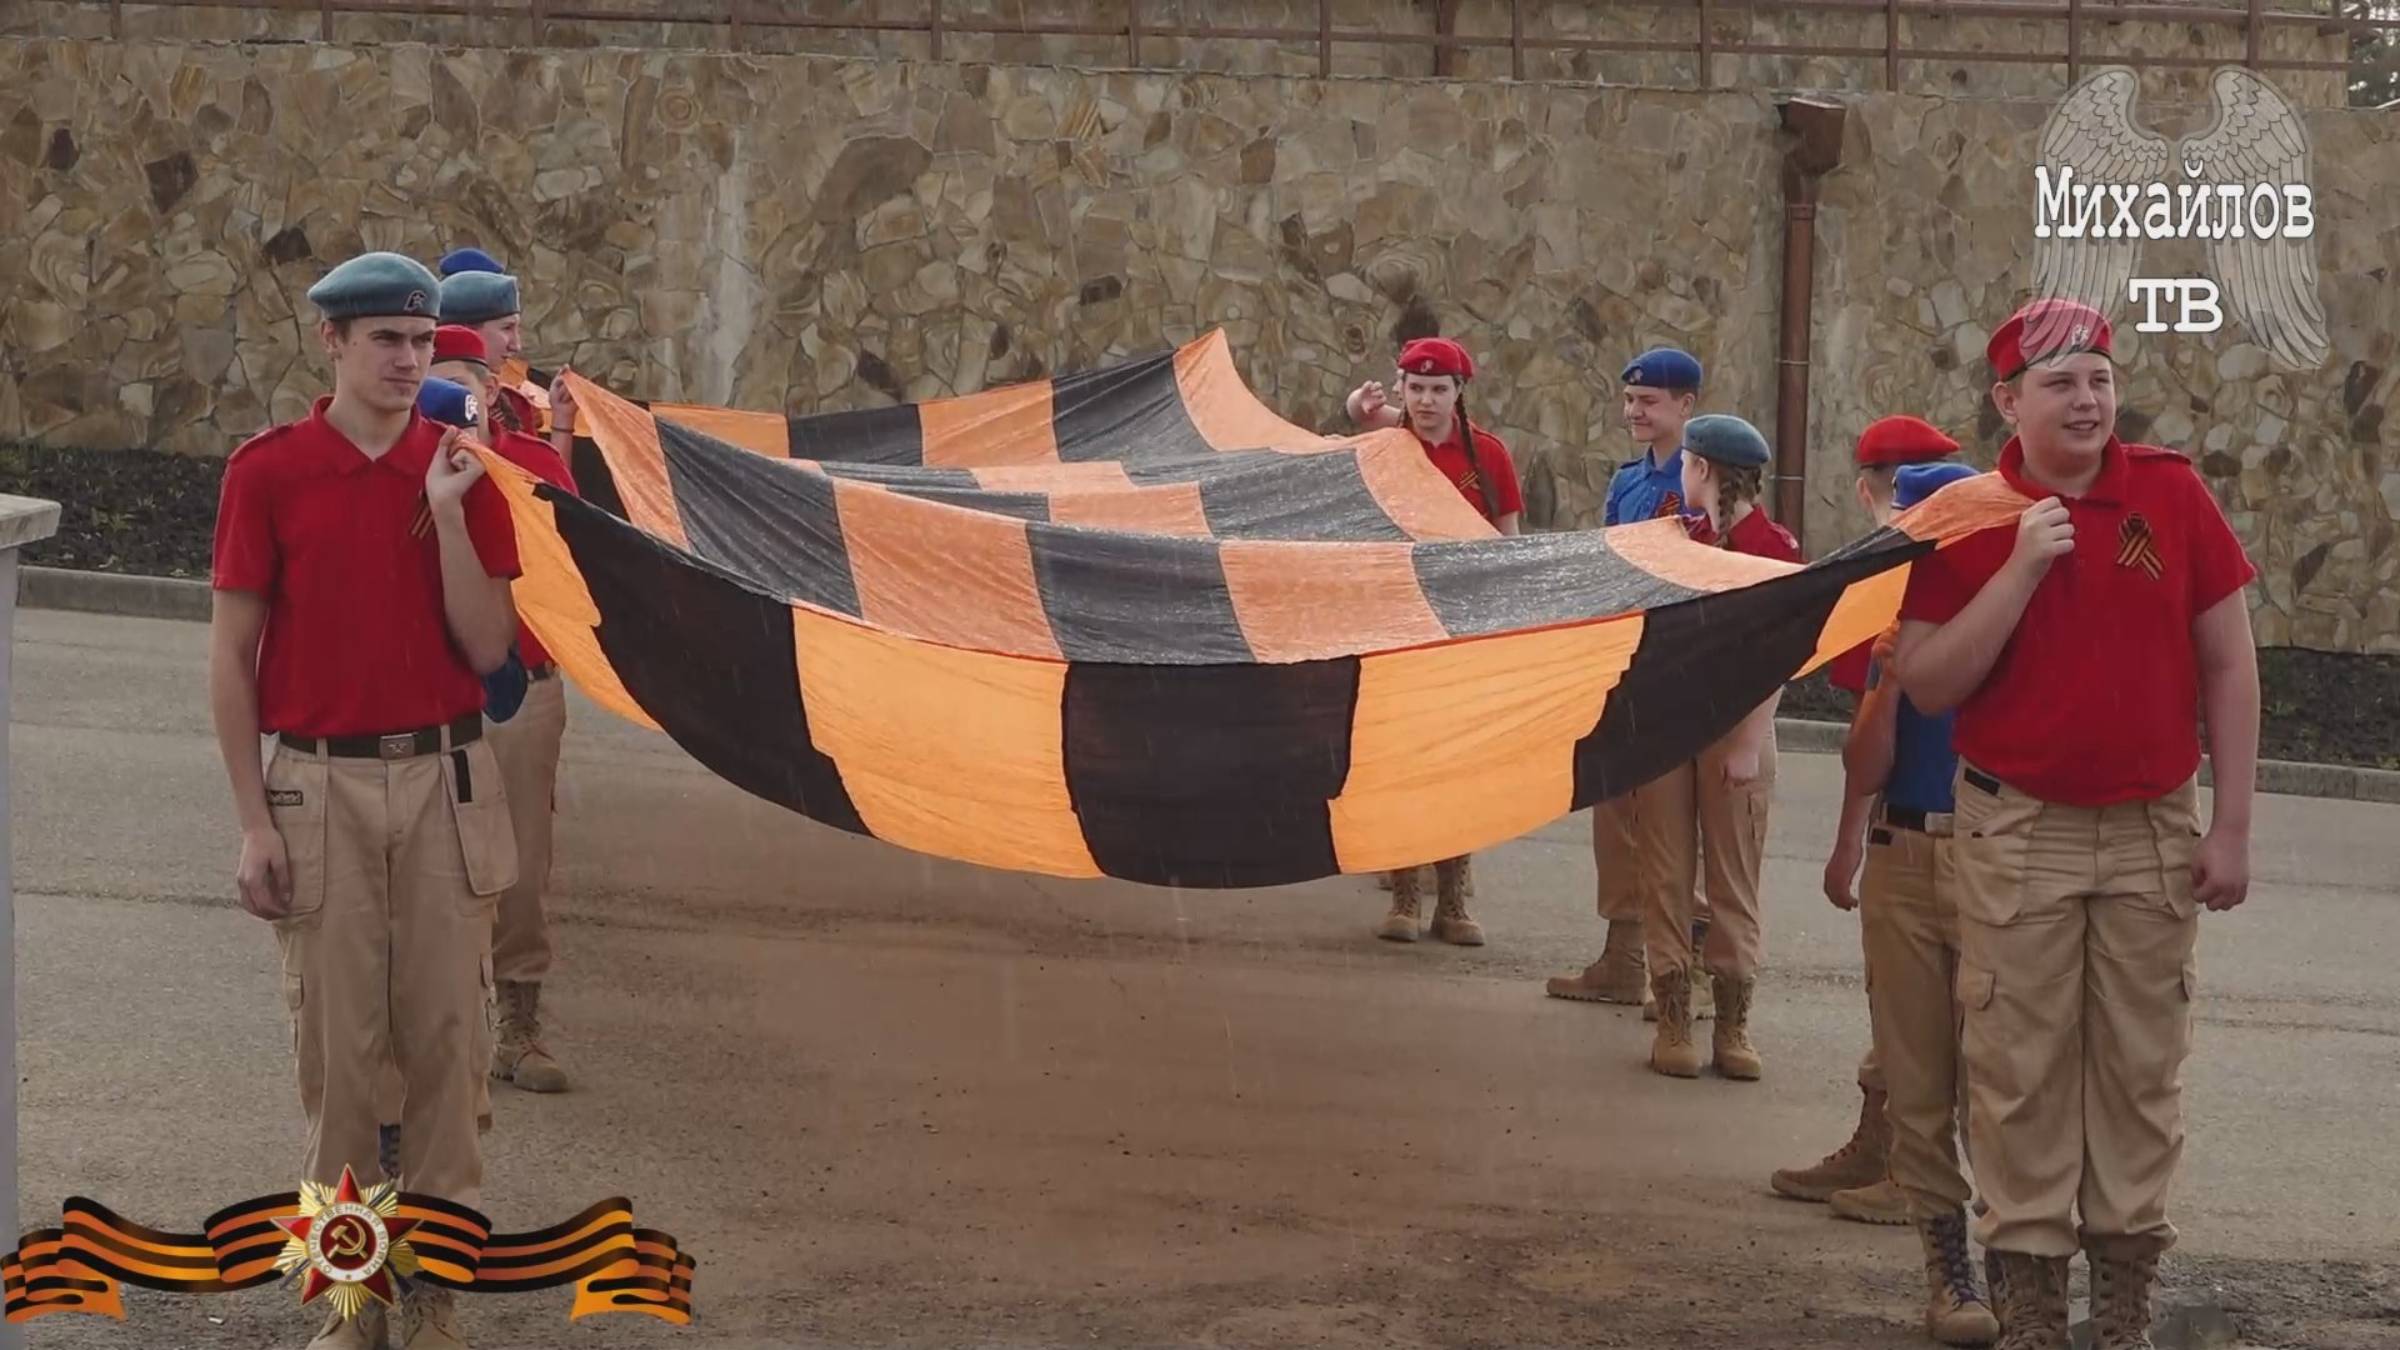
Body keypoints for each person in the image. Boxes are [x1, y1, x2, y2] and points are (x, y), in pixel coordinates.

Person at [1893, 298, 2259, 1350]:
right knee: (2019, 1072)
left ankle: (2124, 1304)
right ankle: (2034, 1308)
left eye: (2099, 378)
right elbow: (1928, 681)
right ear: (2008, 401)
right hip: (2017, 829)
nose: (2087, 400)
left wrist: (2232, 826)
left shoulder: (2172, 493)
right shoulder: (1965, 517)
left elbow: (2230, 664)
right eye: (2060, 383)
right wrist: (2019, 567)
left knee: (2141, 1069)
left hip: (2151, 827)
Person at [209, 251, 521, 1350]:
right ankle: (353, 1300)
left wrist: (447, 515)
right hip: (318, 785)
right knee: (339, 1063)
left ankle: (433, 1298)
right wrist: (253, 821)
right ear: (331, 342)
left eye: (423, 341)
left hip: (446, 780)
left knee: (448, 1050)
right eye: (386, 339)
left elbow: (489, 649)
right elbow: (232, 658)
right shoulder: (271, 472)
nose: (407, 360)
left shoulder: (466, 470)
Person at [1772, 415, 1966, 1225]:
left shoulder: (1995, 603)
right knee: (1898, 1005)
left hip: (1979, 838)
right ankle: (1883, 1149)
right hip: (1904, 827)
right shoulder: (1888, 601)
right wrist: (1851, 841)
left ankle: (1923, 1177)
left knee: (1952, 1021)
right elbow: (1866, 750)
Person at [1845, 461, 2004, 1347]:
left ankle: (2017, 1265)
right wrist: (1890, 685)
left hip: (1990, 856)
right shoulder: (1891, 622)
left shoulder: (2006, 610)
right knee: (1916, 1079)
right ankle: (1950, 1273)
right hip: (1902, 853)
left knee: (2000, 1081)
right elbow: (1864, 768)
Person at [428, 326, 583, 1093]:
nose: (444, 403)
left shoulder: (534, 467)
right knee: (428, 865)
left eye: (459, 384)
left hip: (525, 686)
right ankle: (436, 1031)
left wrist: (559, 439)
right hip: (428, 690)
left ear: (491, 389)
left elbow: (578, 562)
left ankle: (519, 1023)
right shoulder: (402, 469)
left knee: (519, 864)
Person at [1343, 335, 1522, 946]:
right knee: (1399, 760)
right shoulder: (1383, 447)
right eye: (1415, 388)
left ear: (1458, 392)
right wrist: (1354, 412)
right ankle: (1404, 896)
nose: (1426, 400)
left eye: (1438, 389)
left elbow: (1508, 543)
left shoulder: (1489, 456)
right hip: (1396, 627)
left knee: (1458, 764)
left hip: (1463, 629)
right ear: (1400, 389)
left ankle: (1453, 901)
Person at [1547, 347, 1708, 1016]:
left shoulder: (1703, 477)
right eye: (1629, 401)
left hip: (1679, 665)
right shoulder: (1628, 481)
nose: (1634, 412)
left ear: (1686, 405)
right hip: (1624, 662)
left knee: (1678, 820)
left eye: (1649, 401)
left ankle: (1693, 964)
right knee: (1616, 807)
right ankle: (1624, 955)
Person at [1637, 412, 1796, 1081]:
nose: (1681, 472)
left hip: (1737, 730)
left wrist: (1748, 742)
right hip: (1670, 727)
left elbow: (1780, 656)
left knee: (1732, 881)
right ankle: (1674, 1014)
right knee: (1666, 873)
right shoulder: (1679, 535)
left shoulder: (1773, 549)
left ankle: (1732, 1022)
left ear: (1701, 468)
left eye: (1686, 463)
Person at [438, 268, 540, 435]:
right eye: (507, 328)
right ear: (466, 332)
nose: (516, 345)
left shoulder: (515, 406)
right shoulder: (413, 400)